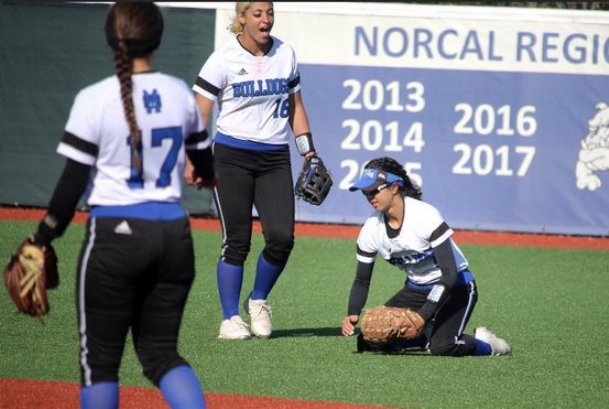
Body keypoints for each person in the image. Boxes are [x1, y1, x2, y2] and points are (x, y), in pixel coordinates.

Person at [26, 3, 212, 407]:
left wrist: (43, 238)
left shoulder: (95, 99)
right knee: (162, 354)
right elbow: (205, 163)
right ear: (158, 38)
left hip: (115, 239)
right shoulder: (180, 92)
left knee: (101, 363)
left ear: (113, 40)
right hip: (174, 236)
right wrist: (203, 174)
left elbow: (71, 185)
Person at [187, 1, 323, 340]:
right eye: (258, 14)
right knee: (237, 240)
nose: (266, 20)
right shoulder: (223, 59)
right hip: (231, 156)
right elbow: (198, 111)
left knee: (281, 238)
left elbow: (296, 107)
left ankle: (258, 299)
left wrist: (308, 152)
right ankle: (229, 318)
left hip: (275, 157)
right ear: (242, 18)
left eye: (270, 13)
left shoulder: (285, 54)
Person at [341, 157, 511, 357]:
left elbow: (449, 274)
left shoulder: (424, 216)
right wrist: (353, 313)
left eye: (374, 190)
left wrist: (423, 316)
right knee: (371, 340)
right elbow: (362, 279)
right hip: (416, 289)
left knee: (443, 347)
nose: (369, 196)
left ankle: (488, 344)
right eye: (365, 192)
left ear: (395, 187)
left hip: (456, 287)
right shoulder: (371, 229)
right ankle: (428, 334)